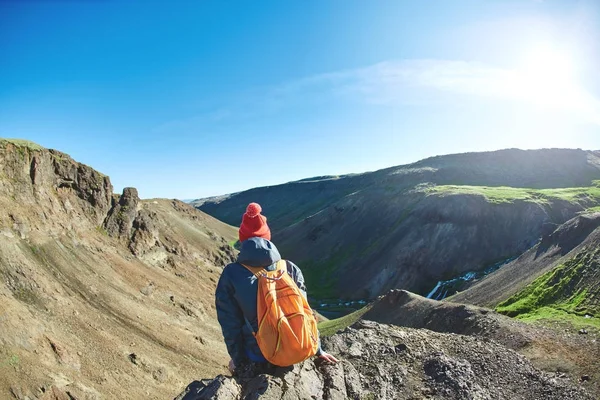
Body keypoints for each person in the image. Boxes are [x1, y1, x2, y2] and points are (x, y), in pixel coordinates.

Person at [215, 203, 338, 375]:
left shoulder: (231, 274)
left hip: (258, 355)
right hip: (298, 346)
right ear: (267, 237)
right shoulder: (290, 268)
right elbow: (306, 312)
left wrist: (238, 360)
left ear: (242, 239)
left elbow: (230, 323)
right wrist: (318, 349)